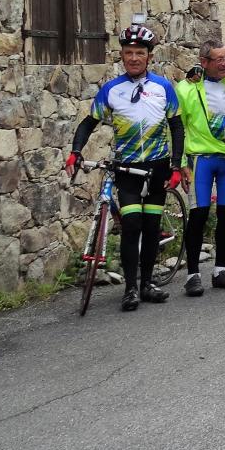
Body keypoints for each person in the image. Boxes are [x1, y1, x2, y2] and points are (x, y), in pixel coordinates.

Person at [65, 25, 184, 312]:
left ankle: (147, 284)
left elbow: (176, 127)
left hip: (156, 167)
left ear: (149, 56)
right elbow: (88, 123)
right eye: (128, 53)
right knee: (132, 226)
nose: (133, 58)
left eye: (139, 53)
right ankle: (130, 288)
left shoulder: (163, 88)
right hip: (127, 168)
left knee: (152, 226)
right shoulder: (112, 90)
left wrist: (177, 166)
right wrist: (75, 152)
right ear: (121, 55)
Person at [175, 40, 225, 296]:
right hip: (200, 158)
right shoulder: (186, 89)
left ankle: (220, 270)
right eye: (219, 59)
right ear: (204, 62)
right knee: (198, 215)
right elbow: (177, 127)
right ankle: (192, 275)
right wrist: (179, 164)